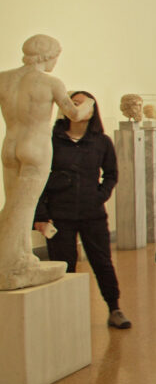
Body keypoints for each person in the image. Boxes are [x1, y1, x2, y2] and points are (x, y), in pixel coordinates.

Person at [0, 34, 94, 290]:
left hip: (10, 146)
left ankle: (21, 257)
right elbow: (73, 113)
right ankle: (10, 264)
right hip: (35, 147)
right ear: (49, 56)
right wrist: (88, 104)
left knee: (14, 204)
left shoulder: (4, 78)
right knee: (22, 209)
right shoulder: (50, 82)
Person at [32, 90, 129, 328]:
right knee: (63, 264)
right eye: (73, 103)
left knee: (102, 261)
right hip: (59, 213)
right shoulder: (52, 139)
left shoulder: (101, 142)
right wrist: (41, 215)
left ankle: (114, 308)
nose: (77, 108)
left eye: (82, 104)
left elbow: (111, 174)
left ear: (92, 110)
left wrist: (99, 196)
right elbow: (38, 178)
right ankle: (64, 312)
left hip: (92, 213)